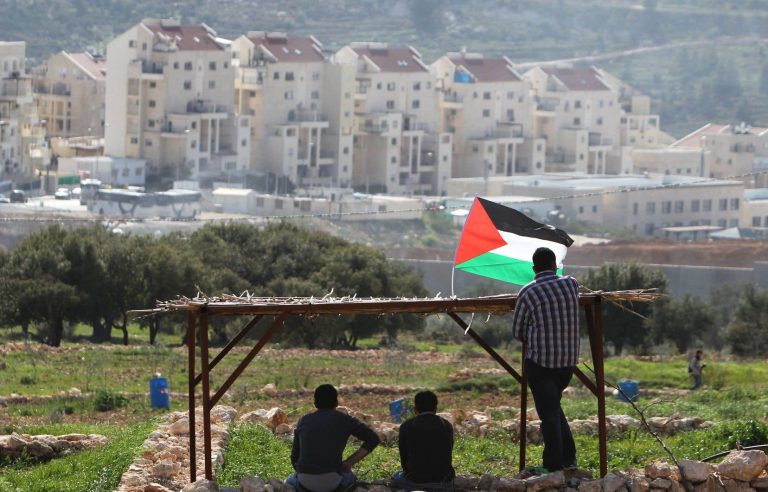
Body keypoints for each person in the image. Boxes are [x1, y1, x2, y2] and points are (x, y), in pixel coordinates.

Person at [512, 247, 579, 473]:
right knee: (553, 408)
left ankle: (554, 465)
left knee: (549, 414)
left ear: (533, 268)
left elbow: (518, 331)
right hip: (567, 363)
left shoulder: (528, 292)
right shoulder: (571, 284)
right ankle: (568, 457)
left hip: (541, 364)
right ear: (554, 265)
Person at [286, 384, 380, 492]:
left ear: (315, 403)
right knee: (351, 476)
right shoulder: (345, 420)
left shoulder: (304, 421)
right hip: (334, 482)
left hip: (304, 482)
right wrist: (350, 462)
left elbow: (294, 458)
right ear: (336, 402)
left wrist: (306, 472)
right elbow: (373, 439)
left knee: (289, 481)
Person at [392, 391, 455, 491]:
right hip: (444, 481)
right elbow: (448, 452)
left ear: (415, 409)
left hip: (415, 481)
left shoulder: (406, 426)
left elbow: (404, 458)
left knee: (396, 476)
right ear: (435, 408)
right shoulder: (446, 425)